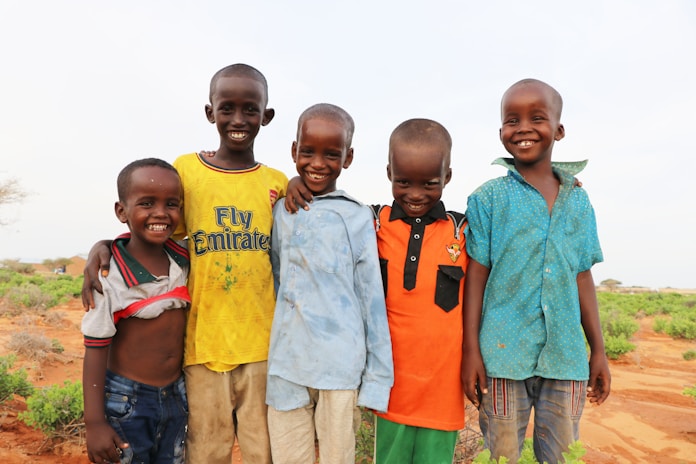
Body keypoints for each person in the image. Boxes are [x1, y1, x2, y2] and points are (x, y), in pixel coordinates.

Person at [82, 64, 287, 464]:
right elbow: (155, 226)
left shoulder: (278, 182)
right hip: (202, 345)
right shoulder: (188, 171)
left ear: (267, 115)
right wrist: (105, 243)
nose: (238, 120)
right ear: (210, 113)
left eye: (251, 109)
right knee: (206, 449)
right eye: (227, 108)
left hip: (263, 344)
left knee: (263, 450)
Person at [286, 118, 468, 464]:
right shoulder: (369, 222)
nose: (415, 194)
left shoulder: (462, 231)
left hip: (442, 388)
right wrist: (295, 184)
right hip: (390, 386)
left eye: (429, 183)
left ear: (447, 177)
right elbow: (321, 214)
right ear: (388, 172)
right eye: (403, 182)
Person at [462, 78, 611, 464]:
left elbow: (582, 276)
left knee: (561, 455)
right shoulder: (488, 198)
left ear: (558, 130)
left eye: (538, 117)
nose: (524, 127)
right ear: (500, 133)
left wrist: (598, 351)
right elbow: (476, 276)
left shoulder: (578, 200)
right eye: (512, 120)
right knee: (502, 455)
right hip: (501, 356)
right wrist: (471, 350)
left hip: (565, 357)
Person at [266, 103, 393, 464]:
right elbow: (275, 277)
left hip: (338, 367)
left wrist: (378, 379)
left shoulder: (355, 216)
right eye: (307, 152)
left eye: (331, 154)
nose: (317, 163)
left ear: (348, 157)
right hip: (286, 363)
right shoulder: (280, 211)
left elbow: (371, 298)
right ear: (294, 151)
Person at [82, 158, 190, 464]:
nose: (161, 213)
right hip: (126, 402)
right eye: (146, 203)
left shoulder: (183, 260)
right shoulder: (108, 275)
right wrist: (94, 423)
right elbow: (95, 349)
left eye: (172, 204)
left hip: (178, 396)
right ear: (121, 211)